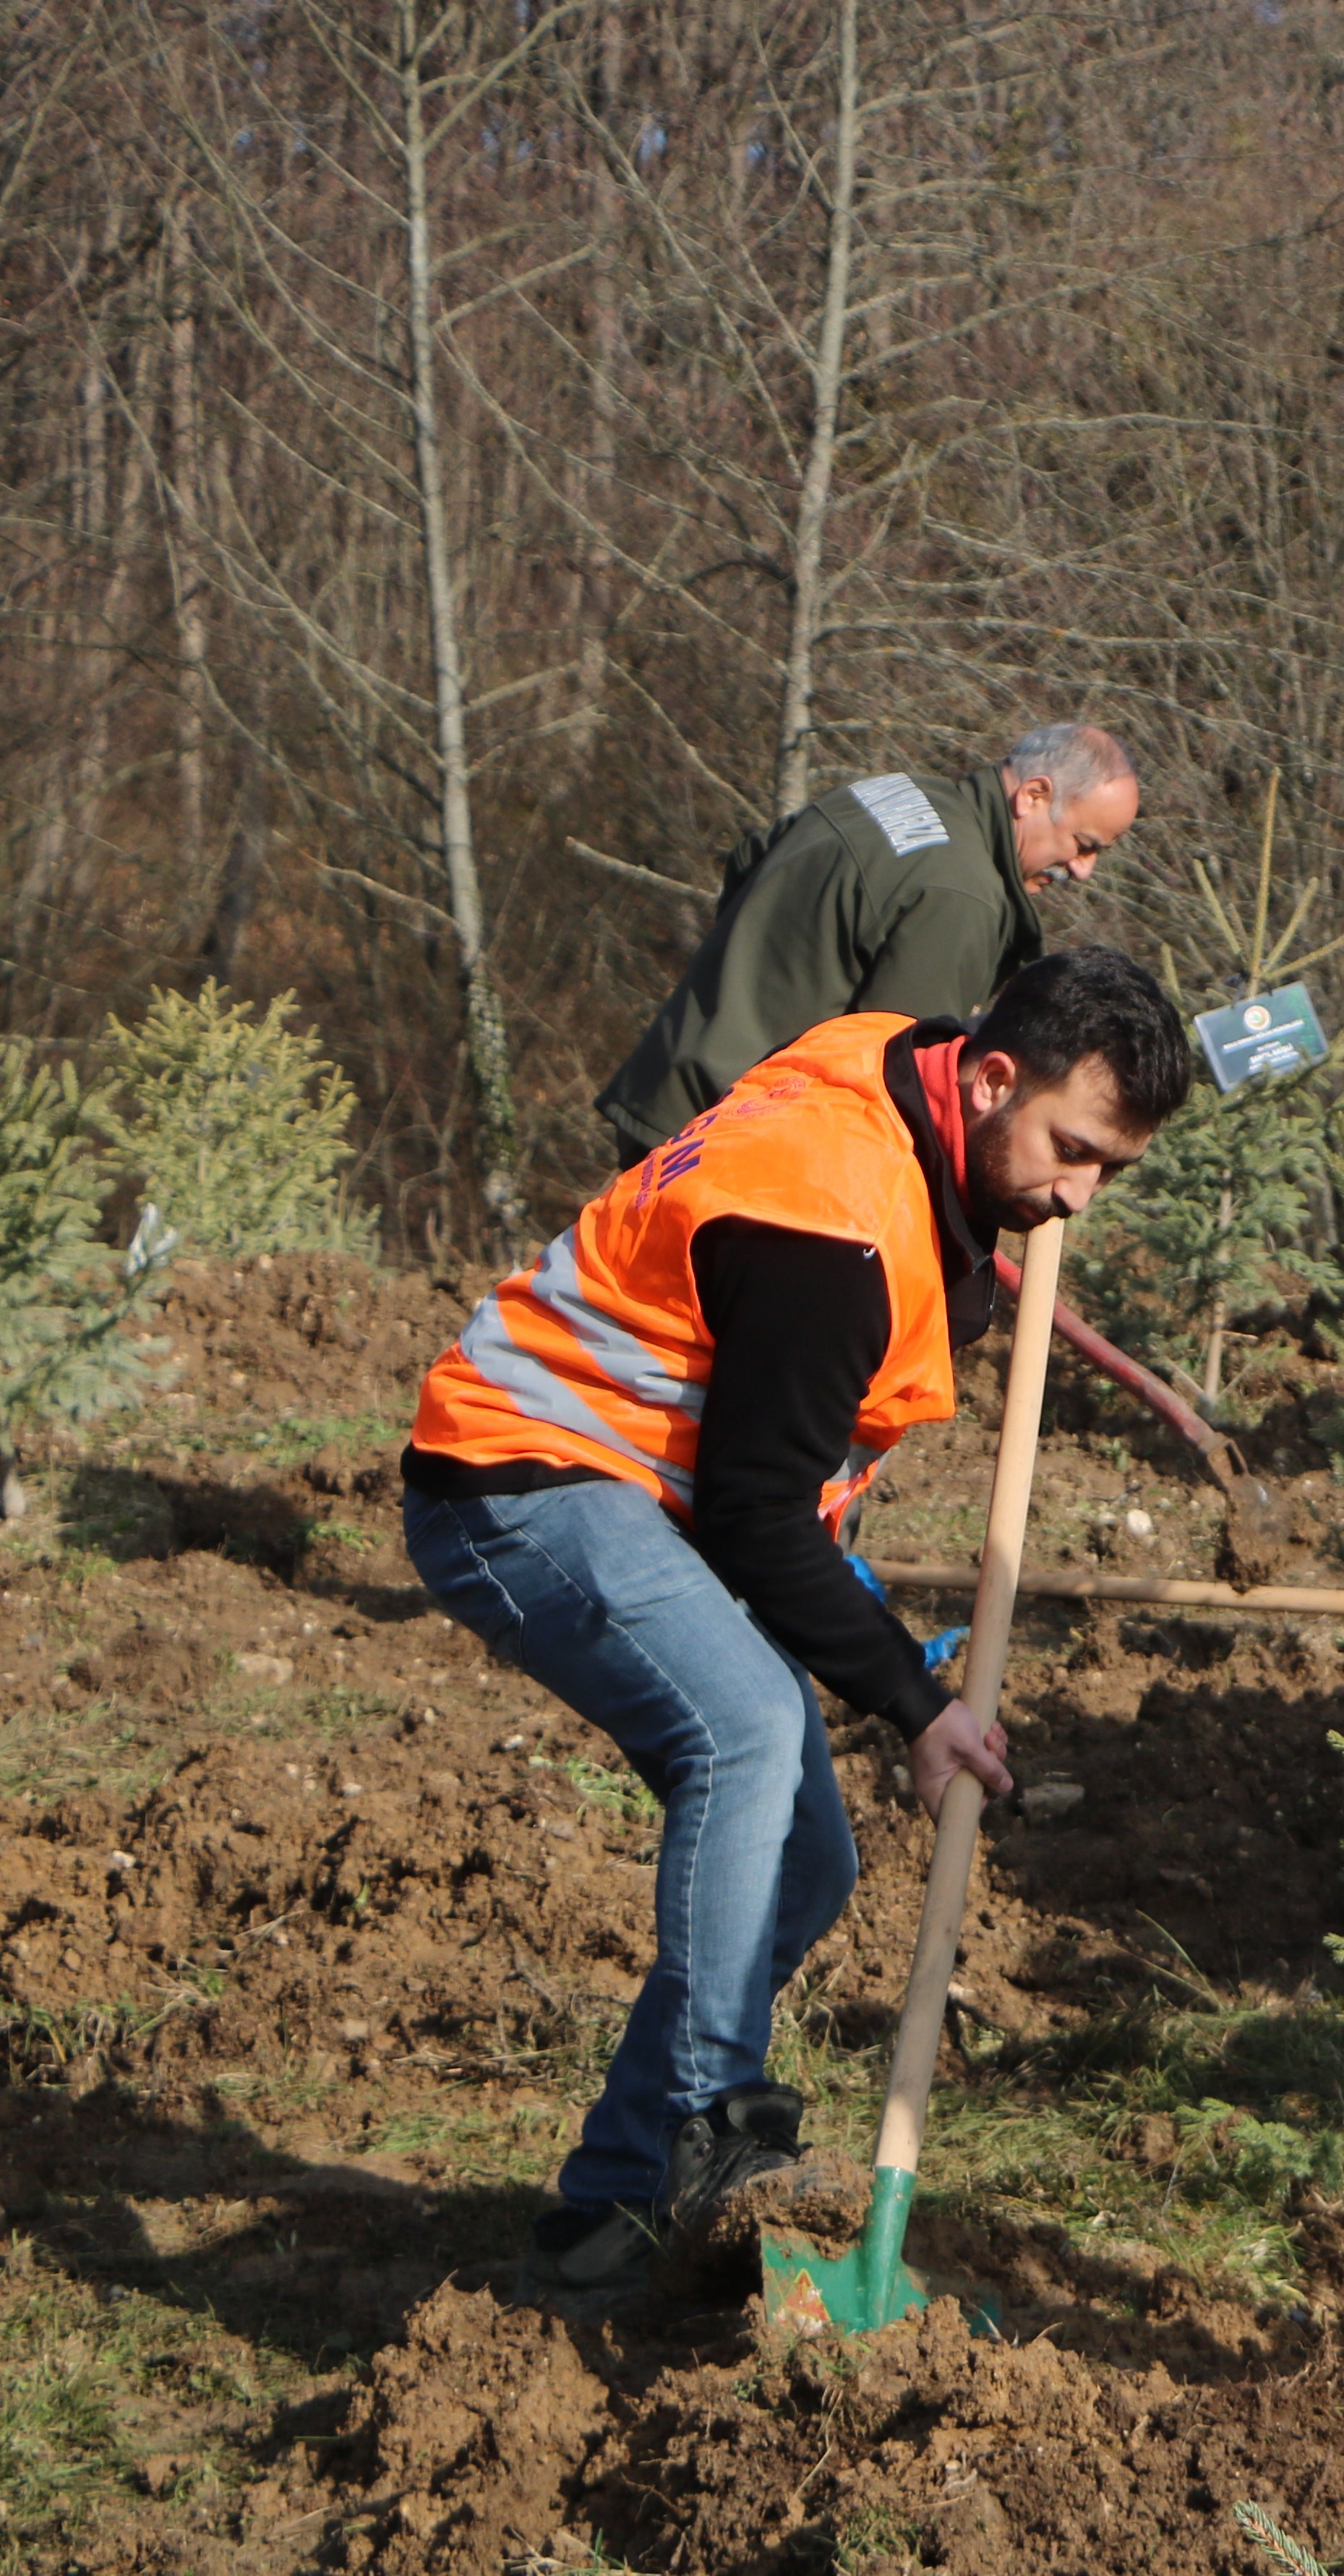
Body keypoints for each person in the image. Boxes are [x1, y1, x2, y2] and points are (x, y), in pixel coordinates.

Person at [405, 947, 1195, 2316]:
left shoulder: (910, 1063)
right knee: (748, 1729)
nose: (1077, 1198)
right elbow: (756, 1518)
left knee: (809, 1859)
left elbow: (764, 1500)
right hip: (525, 1470)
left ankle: (607, 2210)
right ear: (994, 1077)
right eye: (1073, 1153)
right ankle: (714, 2121)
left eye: (1109, 1173)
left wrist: (901, 1671)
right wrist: (910, 1694)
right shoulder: (831, 1217)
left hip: (650, 1488)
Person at [596, 722, 1143, 1163]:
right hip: (729, 1150)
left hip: (673, 1084)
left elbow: (748, 862)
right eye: (1083, 844)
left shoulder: (895, 793)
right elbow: (898, 1082)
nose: (1084, 870)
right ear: (1034, 794)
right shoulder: (962, 896)